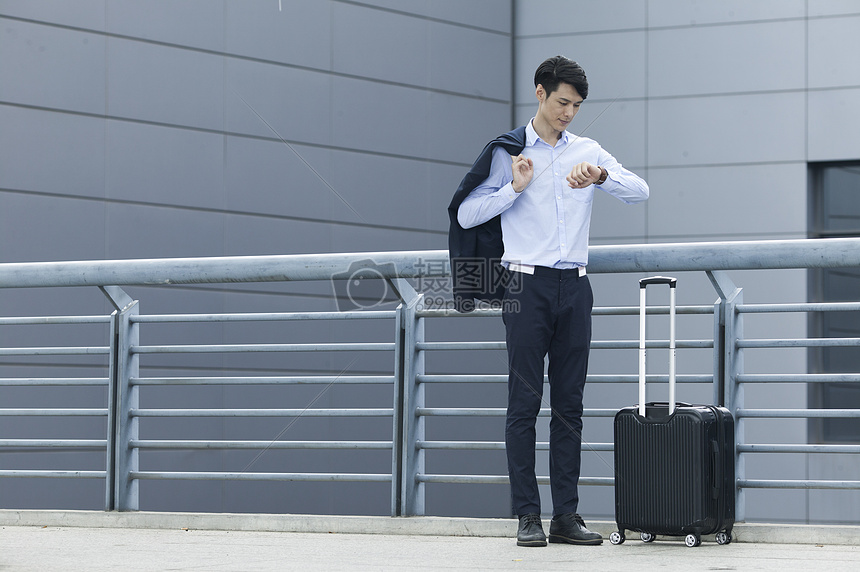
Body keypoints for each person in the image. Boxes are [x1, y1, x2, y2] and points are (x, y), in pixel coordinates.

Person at [449, 55, 649, 547]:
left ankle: (566, 517)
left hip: (575, 289)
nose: (569, 113)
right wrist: (514, 188)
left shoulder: (589, 150)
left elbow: (641, 191)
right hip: (524, 288)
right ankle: (527, 517)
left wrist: (600, 177)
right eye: (562, 102)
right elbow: (466, 213)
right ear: (540, 94)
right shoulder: (509, 152)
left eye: (577, 105)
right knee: (523, 405)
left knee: (570, 407)